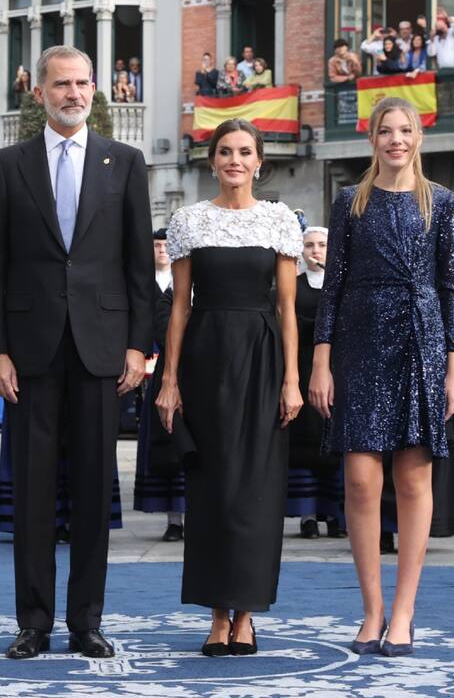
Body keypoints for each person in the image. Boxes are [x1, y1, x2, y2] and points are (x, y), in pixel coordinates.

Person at [0, 44, 154, 660]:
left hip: (102, 350)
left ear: (94, 89)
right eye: (61, 84)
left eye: (82, 84)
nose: (73, 94)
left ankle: (87, 622)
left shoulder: (125, 163)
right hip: (28, 355)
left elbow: (137, 264)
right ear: (40, 92)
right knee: (31, 494)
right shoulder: (6, 166)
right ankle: (33, 623)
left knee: (91, 492)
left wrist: (138, 345)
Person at [309, 97, 454, 657]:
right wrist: (321, 361)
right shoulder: (350, 202)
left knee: (413, 480)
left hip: (421, 341)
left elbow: (449, 289)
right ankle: (371, 611)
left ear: (418, 137)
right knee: (359, 481)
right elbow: (332, 287)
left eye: (405, 130)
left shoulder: (442, 203)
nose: (395, 140)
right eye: (385, 131)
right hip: (360, 341)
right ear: (370, 138)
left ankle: (404, 613)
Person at [157, 120, 302, 657]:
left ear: (259, 161)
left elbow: (287, 308)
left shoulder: (280, 221)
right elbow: (178, 307)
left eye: (245, 151)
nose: (235, 160)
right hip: (205, 359)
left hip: (263, 360)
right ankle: (218, 616)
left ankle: (247, 614)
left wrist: (292, 379)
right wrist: (169, 381)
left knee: (255, 491)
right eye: (225, 151)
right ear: (212, 160)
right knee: (212, 490)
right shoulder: (189, 221)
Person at [287, 221, 345, 539]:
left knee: (335, 442)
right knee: (306, 442)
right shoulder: (292, 285)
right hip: (303, 367)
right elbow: (287, 320)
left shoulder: (342, 285)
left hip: (337, 370)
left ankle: (334, 514)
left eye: (321, 246)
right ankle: (307, 514)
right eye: (310, 246)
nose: (315, 251)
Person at [133, 229, 185, 541]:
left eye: (168, 246)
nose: (163, 251)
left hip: (198, 370)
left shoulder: (189, 283)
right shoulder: (143, 283)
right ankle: (174, 518)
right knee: (167, 443)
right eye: (157, 245)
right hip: (160, 365)